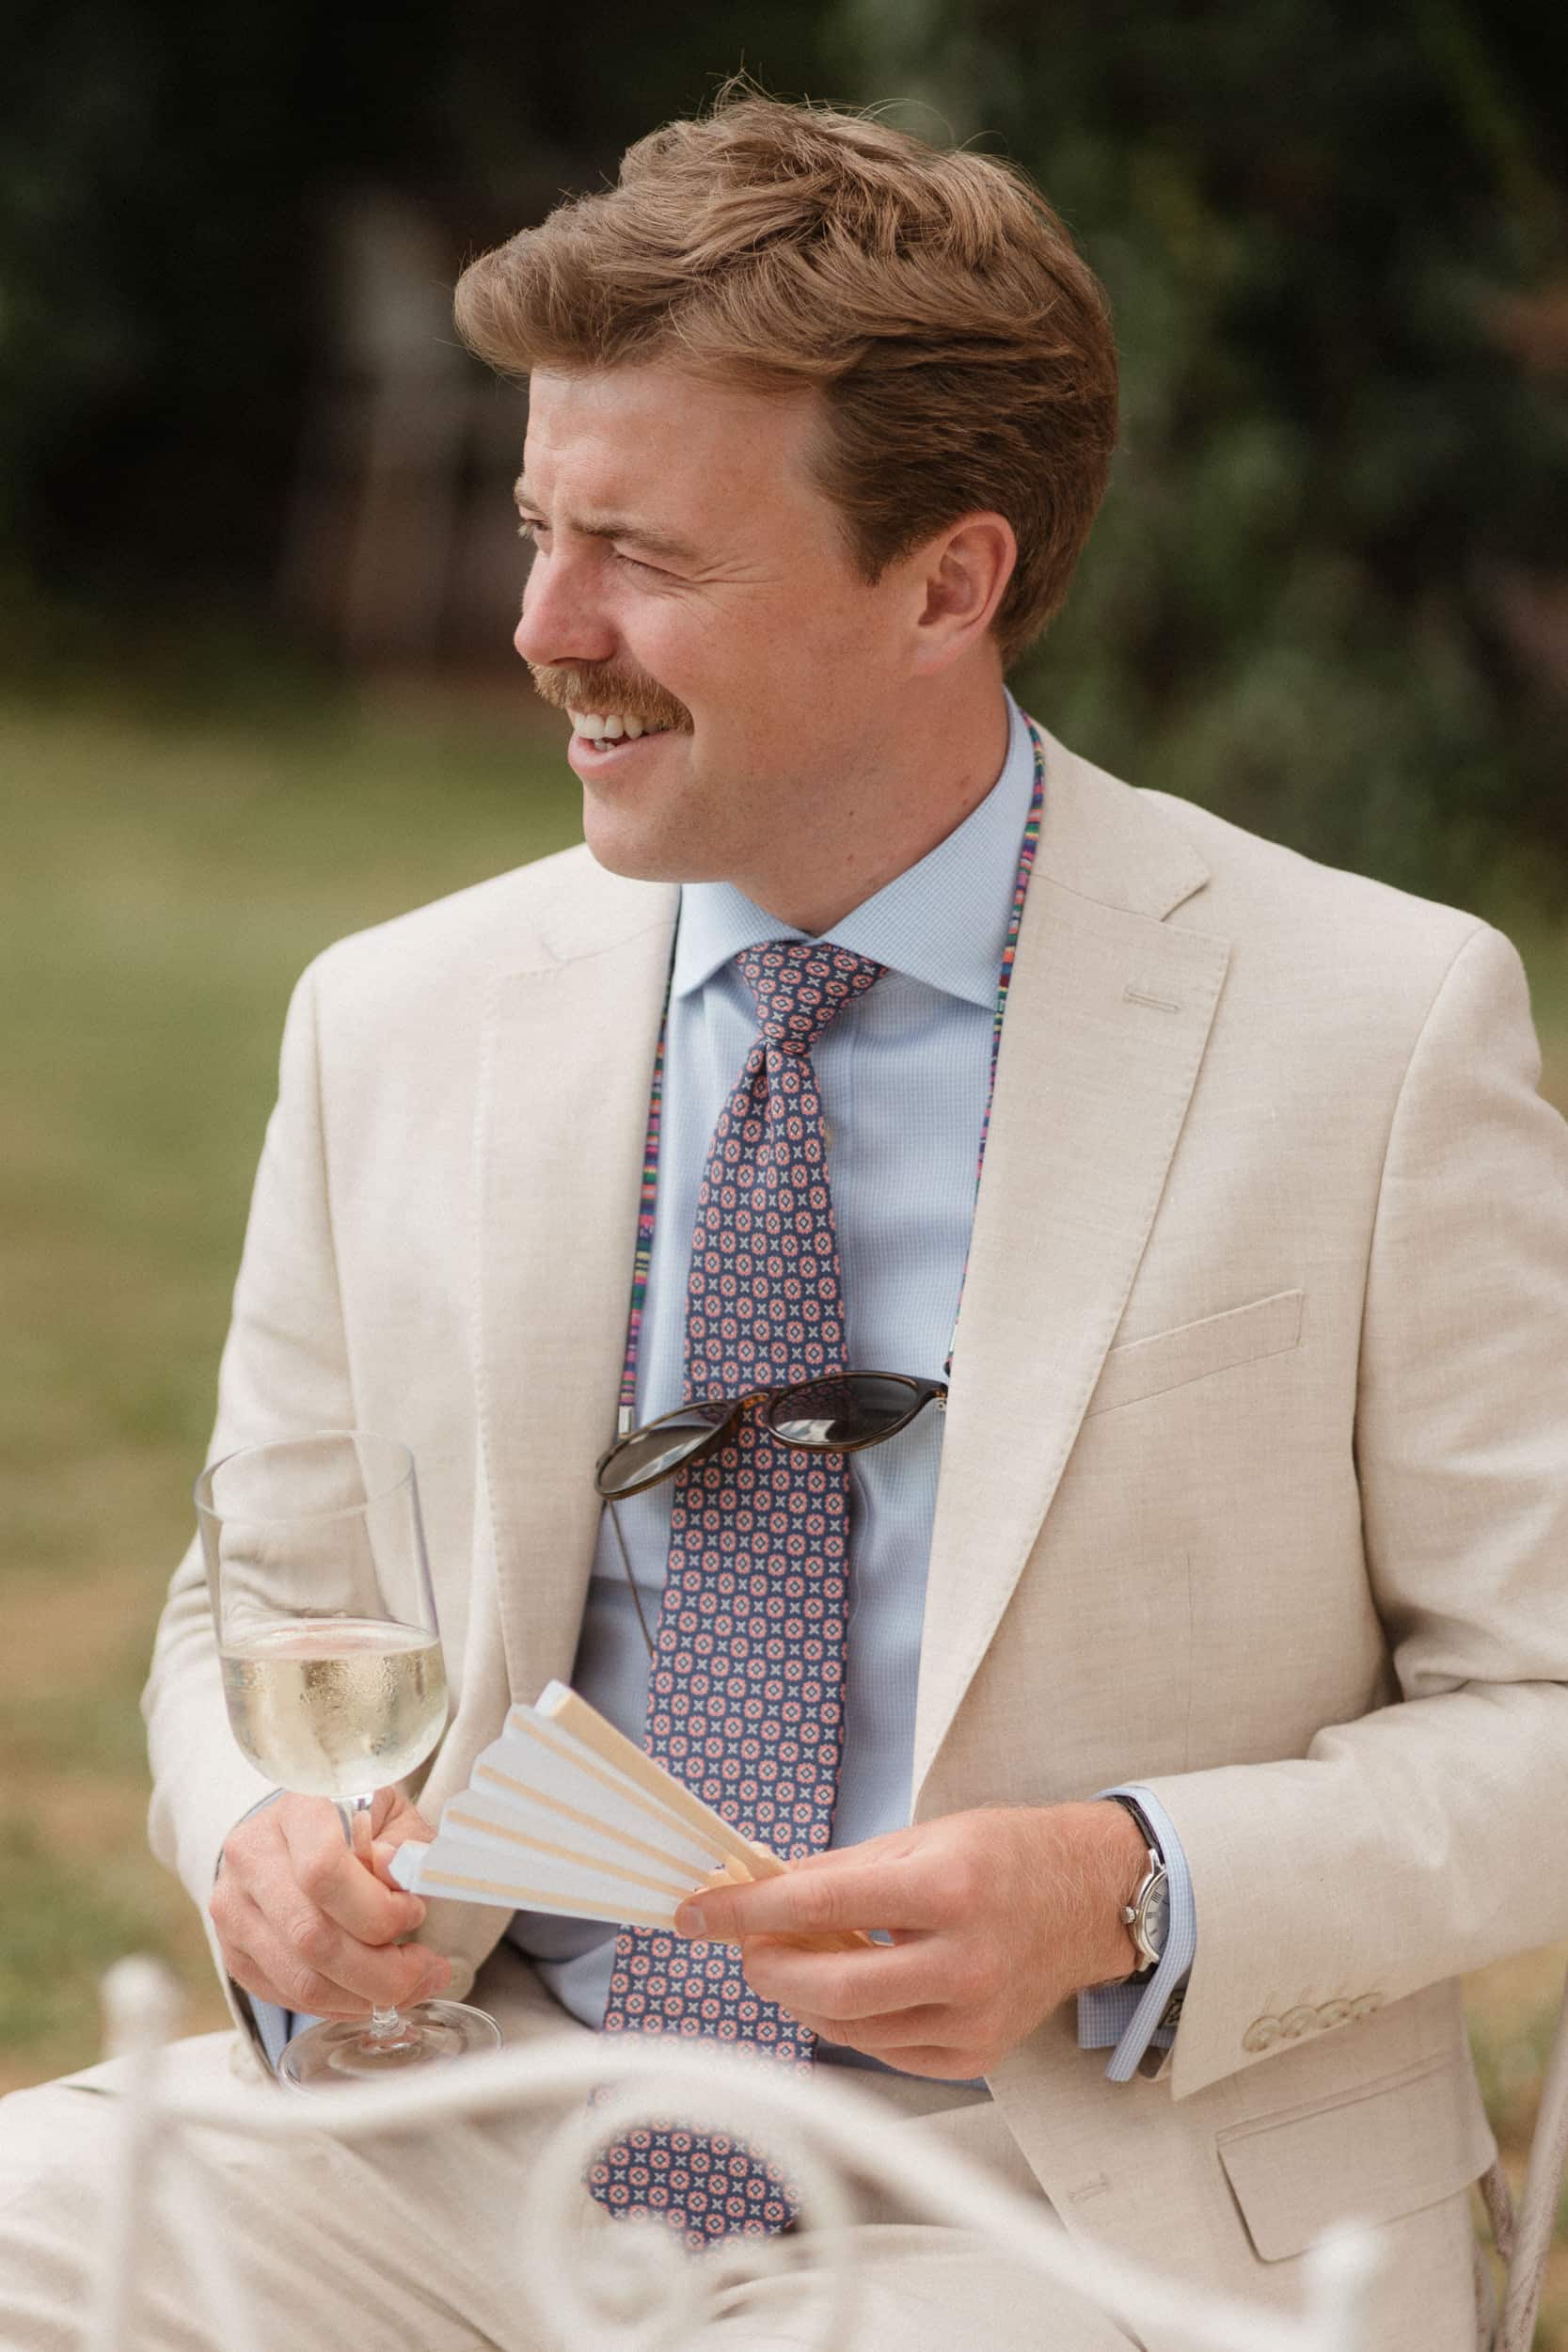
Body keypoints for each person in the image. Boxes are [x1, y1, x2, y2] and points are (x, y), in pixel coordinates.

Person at [3, 88, 1565, 2352]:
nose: (541, 624)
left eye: (642, 554)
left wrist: (1125, 1880)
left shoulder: (1376, 1025)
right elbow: (256, 1603)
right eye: (537, 527)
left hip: (1076, 2186)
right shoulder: (391, 1016)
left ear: (948, 580)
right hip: (462, 2119)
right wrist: (259, 1827)